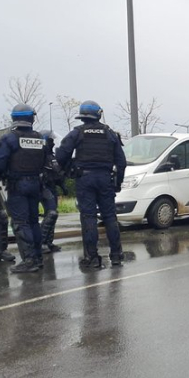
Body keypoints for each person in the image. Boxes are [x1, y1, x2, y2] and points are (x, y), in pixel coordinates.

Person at [56, 100, 126, 268]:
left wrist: (67, 170)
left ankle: (92, 258)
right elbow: (121, 162)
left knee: (89, 218)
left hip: (85, 180)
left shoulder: (77, 133)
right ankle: (116, 255)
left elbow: (61, 155)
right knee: (110, 217)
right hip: (105, 179)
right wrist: (118, 182)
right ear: (98, 114)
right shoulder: (110, 134)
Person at [0, 104, 46, 273]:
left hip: (17, 185)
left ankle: (29, 260)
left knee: (21, 223)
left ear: (14, 118)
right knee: (33, 222)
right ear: (32, 118)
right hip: (36, 184)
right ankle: (38, 257)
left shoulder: (9, 138)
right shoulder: (39, 138)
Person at [38, 130, 65, 253]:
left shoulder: (51, 155)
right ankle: (42, 242)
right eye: (50, 140)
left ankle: (49, 242)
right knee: (51, 213)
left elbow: (57, 173)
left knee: (53, 214)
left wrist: (63, 186)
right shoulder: (40, 155)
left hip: (53, 187)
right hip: (44, 187)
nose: (53, 142)